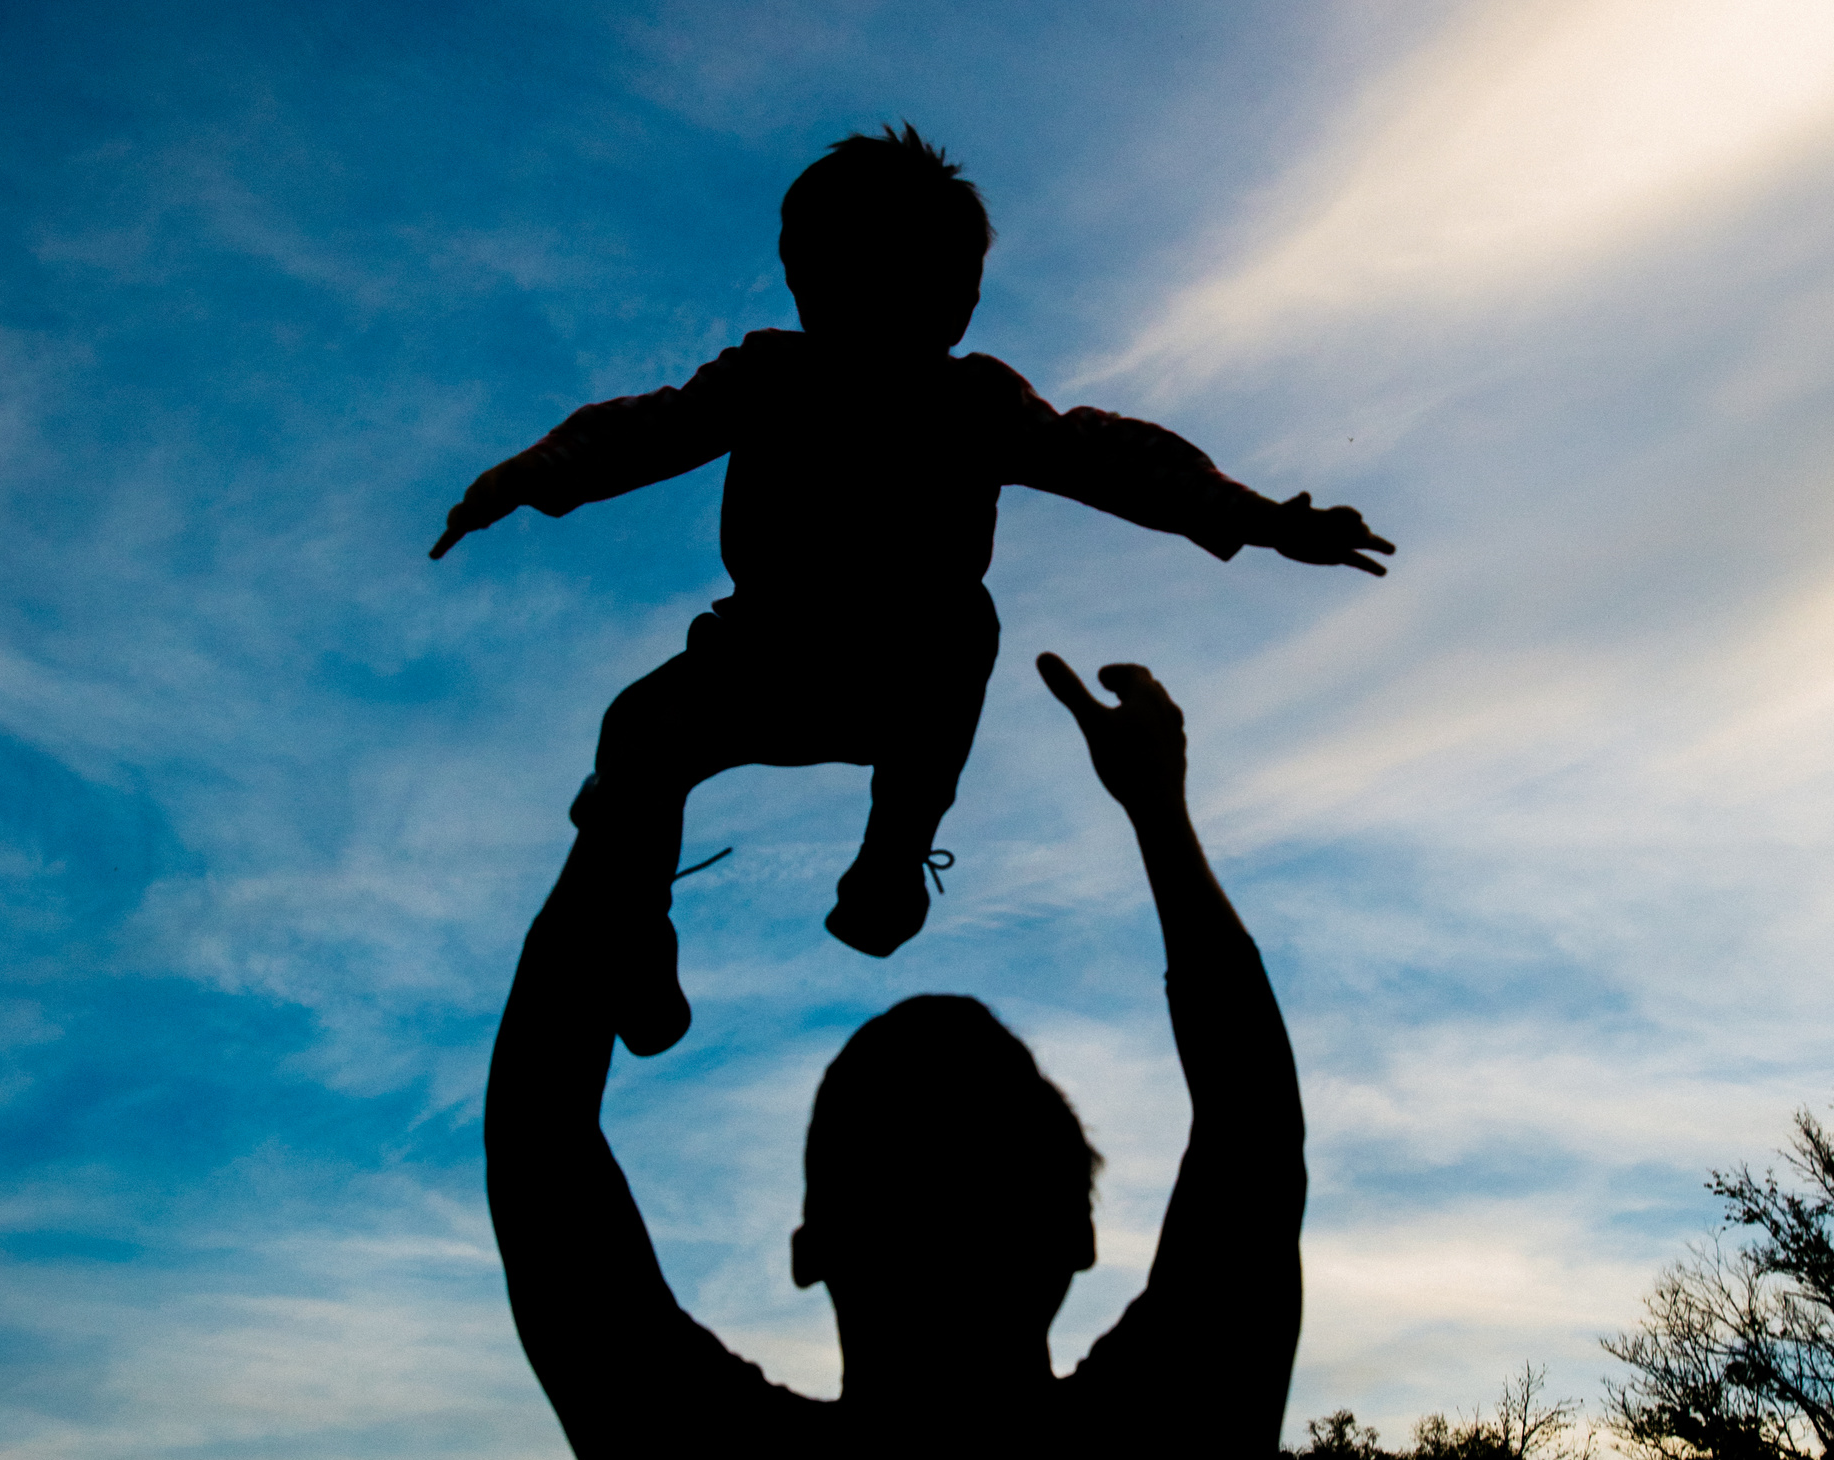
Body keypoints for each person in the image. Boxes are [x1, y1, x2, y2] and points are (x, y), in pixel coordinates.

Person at [483, 652, 1304, 1460]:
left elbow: (537, 1142)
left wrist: (625, 810)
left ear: (810, 1247)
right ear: (1075, 1235)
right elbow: (1250, 1133)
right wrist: (1159, 818)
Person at [434, 122, 1389, 1054]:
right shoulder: (772, 375)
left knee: (960, 627)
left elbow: (1109, 456)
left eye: (944, 295)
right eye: (877, 286)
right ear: (811, 284)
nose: (915, 320)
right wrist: (536, 470)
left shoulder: (973, 403)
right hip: (763, 658)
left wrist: (1261, 517)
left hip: (901, 679)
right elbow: (649, 428)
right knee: (637, 733)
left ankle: (894, 854)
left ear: (960, 307)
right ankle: (638, 940)